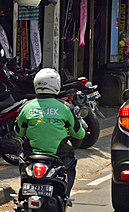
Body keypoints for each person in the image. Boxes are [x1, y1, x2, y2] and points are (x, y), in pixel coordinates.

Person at [15, 68, 86, 196]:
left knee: (22, 160)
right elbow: (79, 134)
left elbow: (19, 132)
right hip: (59, 155)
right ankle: (66, 195)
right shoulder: (65, 107)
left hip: (32, 154)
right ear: (56, 86)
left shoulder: (26, 107)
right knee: (71, 164)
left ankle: (24, 190)